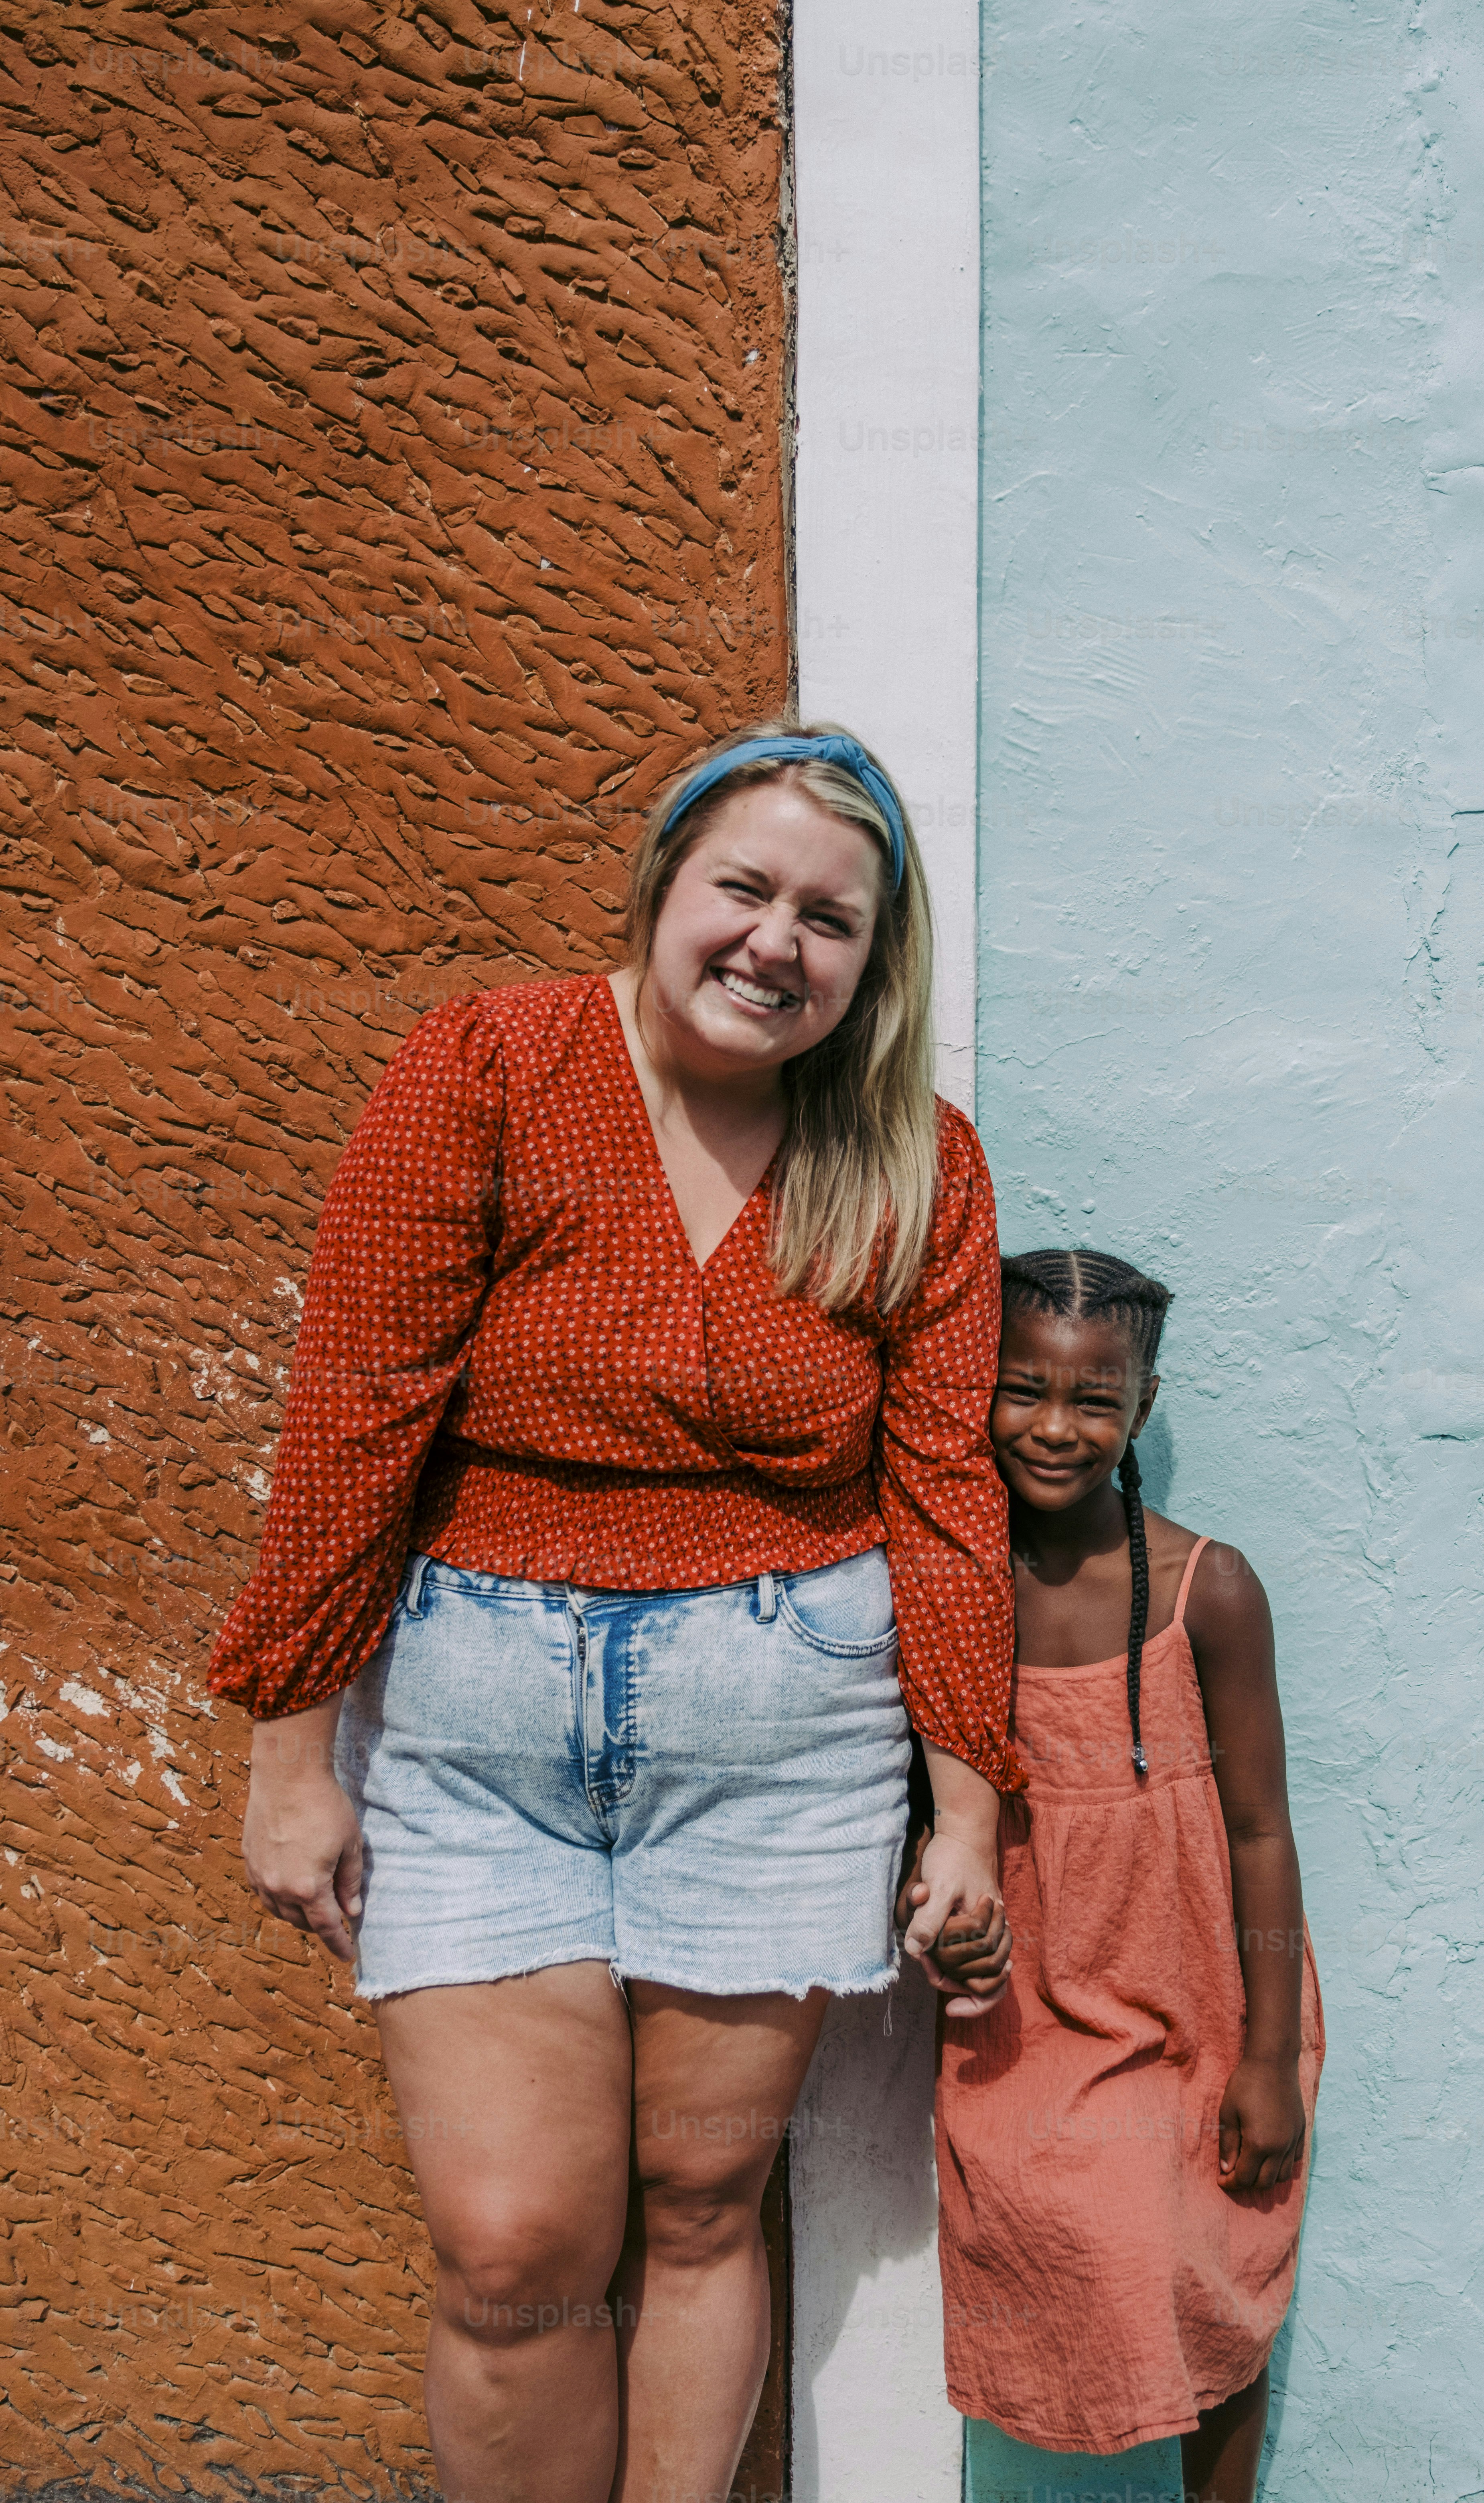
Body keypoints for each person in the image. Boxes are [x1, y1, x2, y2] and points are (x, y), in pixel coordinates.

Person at [208, 721, 1015, 2503]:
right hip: (479, 1728)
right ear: (663, 884)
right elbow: (358, 1408)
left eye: (830, 919)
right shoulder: (492, 1063)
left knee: (706, 2206)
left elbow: (944, 1498)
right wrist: (289, 1751)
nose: (774, 944)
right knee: (511, 2249)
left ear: (873, 964)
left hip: (785, 1736)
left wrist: (964, 1808)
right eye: (744, 888)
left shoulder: (911, 1162)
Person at [925, 1249, 1324, 2503]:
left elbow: (1261, 1829)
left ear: (1141, 1410)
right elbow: (915, 1814)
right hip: (1029, 2003)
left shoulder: (1212, 1590)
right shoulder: (949, 1591)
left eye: (1095, 1399)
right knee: (1077, 2220)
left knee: (1213, 2267)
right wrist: (932, 1915)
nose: (1056, 1427)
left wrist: (1266, 2058)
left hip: (1200, 1989)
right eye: (1022, 1389)